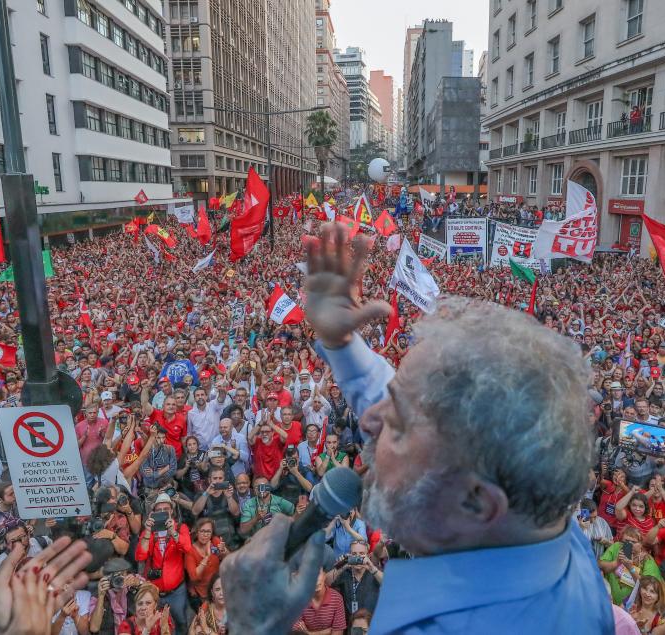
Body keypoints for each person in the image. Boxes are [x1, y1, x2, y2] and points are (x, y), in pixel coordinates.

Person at [219, 225, 613, 633]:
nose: (369, 420)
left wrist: (253, 627)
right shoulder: (552, 535)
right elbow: (436, 425)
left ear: (476, 501)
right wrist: (343, 346)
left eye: (398, 425)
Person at [135, 493, 192, 632]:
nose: (162, 512)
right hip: (155, 592)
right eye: (158, 510)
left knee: (181, 622)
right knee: (157, 625)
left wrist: (173, 532)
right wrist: (148, 532)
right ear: (153, 513)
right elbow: (140, 556)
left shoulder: (180, 528)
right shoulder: (149, 531)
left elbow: (187, 548)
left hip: (176, 590)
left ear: (171, 511)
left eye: (166, 509)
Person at [600, 526, 663, 606]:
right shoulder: (616, 547)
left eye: (633, 542)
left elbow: (648, 587)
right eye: (626, 541)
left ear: (641, 543)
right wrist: (616, 563)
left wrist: (630, 568)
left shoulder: (647, 560)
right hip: (609, 602)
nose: (629, 544)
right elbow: (599, 565)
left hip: (631, 606)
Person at [324, 539, 382, 623]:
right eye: (354, 554)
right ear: (349, 555)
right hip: (350, 625)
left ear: (368, 556)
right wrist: (342, 566)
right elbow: (325, 582)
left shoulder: (374, 571)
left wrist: (372, 568)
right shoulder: (344, 572)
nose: (358, 557)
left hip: (372, 624)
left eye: (361, 554)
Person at [185, 519, 227, 612]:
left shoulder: (215, 541)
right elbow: (194, 577)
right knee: (206, 619)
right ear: (196, 532)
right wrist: (207, 557)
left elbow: (230, 559)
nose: (205, 534)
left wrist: (224, 551)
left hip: (218, 590)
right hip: (202, 595)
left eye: (208, 531)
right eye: (202, 531)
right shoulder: (190, 551)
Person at [292, 567, 347, 635]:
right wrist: (328, 631)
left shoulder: (337, 598)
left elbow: (338, 633)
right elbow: (296, 632)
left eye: (318, 574)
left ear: (324, 575)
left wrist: (310, 633)